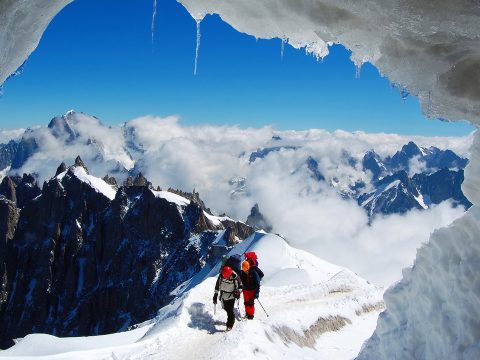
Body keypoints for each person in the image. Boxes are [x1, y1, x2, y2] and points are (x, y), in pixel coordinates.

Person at [213, 265, 242, 331]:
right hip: (223, 295)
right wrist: (215, 294)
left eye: (225, 276)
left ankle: (230, 324)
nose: (224, 277)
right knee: (226, 308)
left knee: (230, 310)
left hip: (232, 296)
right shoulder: (221, 275)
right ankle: (230, 319)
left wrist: (238, 293)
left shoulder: (235, 277)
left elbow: (240, 286)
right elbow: (217, 285)